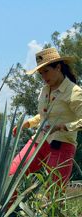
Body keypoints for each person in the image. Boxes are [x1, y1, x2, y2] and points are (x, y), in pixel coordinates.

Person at [10, 47, 82, 187]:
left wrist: (63, 127)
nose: (43, 77)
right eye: (41, 73)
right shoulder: (45, 90)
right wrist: (28, 123)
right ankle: (9, 209)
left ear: (58, 67)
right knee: (13, 175)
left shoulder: (75, 92)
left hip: (61, 145)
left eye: (46, 71)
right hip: (37, 141)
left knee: (54, 192)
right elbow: (45, 115)